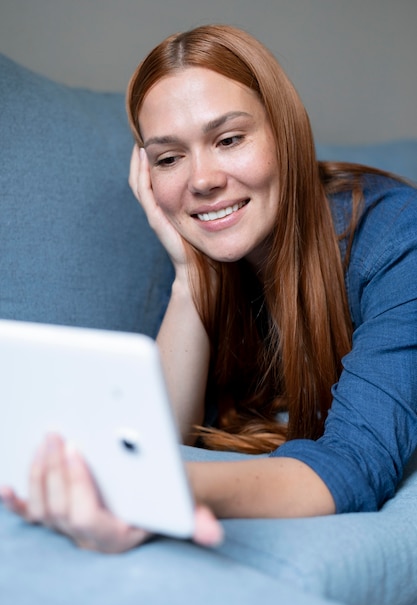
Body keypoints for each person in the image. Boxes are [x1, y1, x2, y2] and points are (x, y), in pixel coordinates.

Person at [1, 24, 417, 553]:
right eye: (169, 158)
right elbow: (164, 435)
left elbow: (354, 466)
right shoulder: (221, 255)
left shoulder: (399, 239)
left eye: (228, 139)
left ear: (285, 135)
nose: (201, 180)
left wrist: (148, 489)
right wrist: (189, 276)